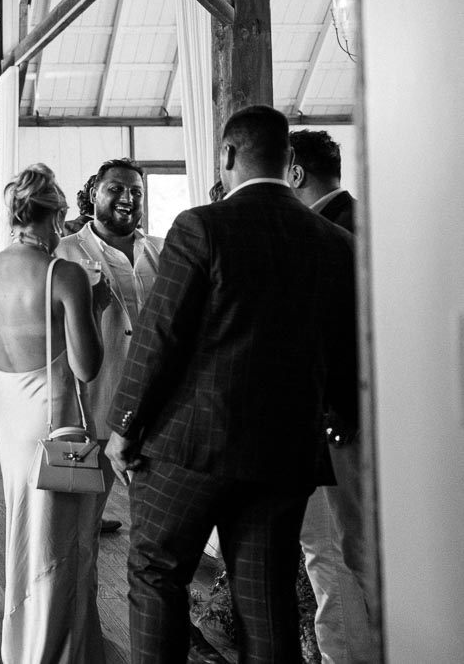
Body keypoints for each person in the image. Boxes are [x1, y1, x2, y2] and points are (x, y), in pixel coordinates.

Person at [106, 106, 358, 664]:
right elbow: (346, 350)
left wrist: (124, 424)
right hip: (285, 456)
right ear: (288, 161)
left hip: (190, 447)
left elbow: (161, 334)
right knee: (267, 600)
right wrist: (340, 418)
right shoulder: (335, 242)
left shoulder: (202, 226)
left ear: (226, 155)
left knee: (156, 575)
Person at [0, 165, 105, 662]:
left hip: (9, 420)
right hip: (55, 422)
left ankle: (22, 643)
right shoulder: (63, 274)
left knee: (25, 536)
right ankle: (52, 651)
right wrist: (96, 307)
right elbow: (87, 368)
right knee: (61, 545)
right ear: (55, 216)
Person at [289, 129, 371, 664]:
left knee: (344, 552)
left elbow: (340, 333)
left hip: (339, 423)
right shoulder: (363, 217)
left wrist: (338, 411)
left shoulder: (326, 232)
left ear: (294, 172)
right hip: (357, 414)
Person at [56, 159, 165, 535]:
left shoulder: (161, 251)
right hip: (94, 407)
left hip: (156, 410)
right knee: (82, 527)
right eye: (116, 189)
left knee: (159, 525)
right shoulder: (64, 252)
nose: (127, 198)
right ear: (94, 194)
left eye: (136, 191)